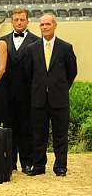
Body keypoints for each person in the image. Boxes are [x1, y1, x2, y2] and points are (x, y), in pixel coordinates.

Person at [24, 14, 77, 177]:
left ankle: (60, 166)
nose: (44, 27)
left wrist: (59, 88)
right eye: (42, 25)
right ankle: (39, 165)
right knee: (39, 134)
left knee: (60, 134)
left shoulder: (65, 47)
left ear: (55, 25)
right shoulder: (31, 48)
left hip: (59, 99)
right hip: (38, 99)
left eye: (48, 24)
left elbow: (72, 72)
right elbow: (28, 73)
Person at [0, 9, 39, 173]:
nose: (19, 22)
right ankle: (10, 162)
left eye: (22, 20)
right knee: (8, 128)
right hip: (7, 93)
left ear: (27, 21)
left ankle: (27, 161)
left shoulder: (37, 41)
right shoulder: (2, 41)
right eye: (16, 20)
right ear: (12, 22)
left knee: (26, 128)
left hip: (28, 93)